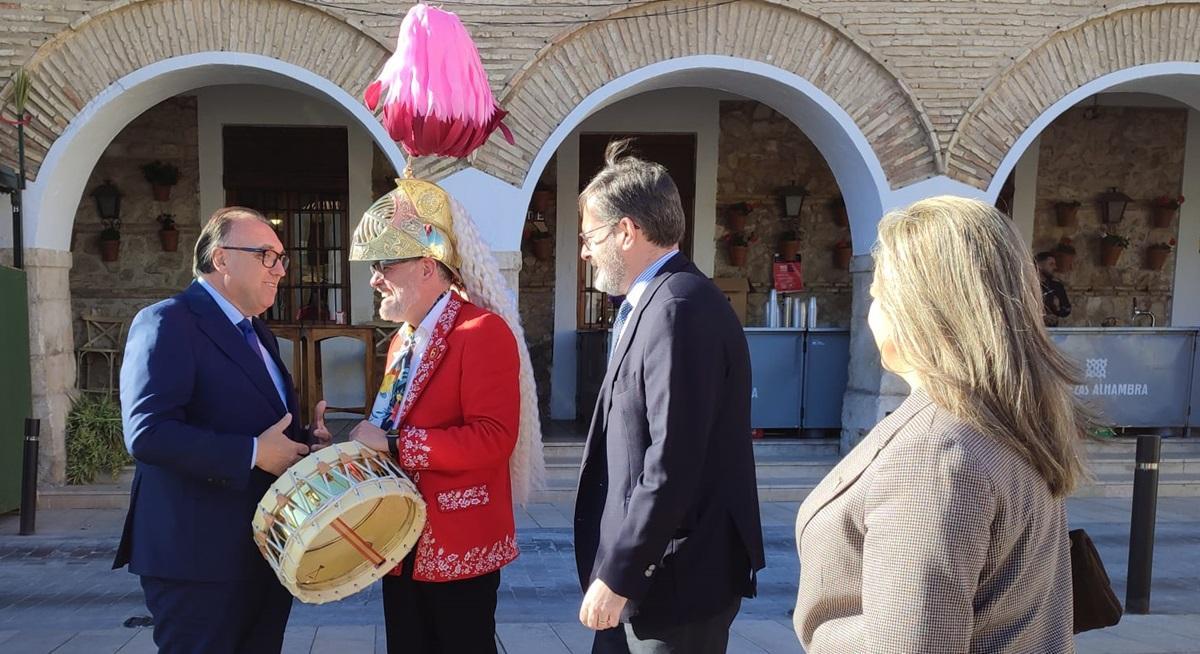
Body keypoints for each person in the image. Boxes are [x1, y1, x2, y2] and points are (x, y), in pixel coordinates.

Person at [793, 196, 1085, 653]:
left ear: (916, 308)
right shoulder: (997, 417)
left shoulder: (936, 454)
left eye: (876, 295)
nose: (872, 312)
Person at [573, 141, 765, 654]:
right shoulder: (655, 301)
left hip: (673, 581)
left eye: (589, 236)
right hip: (649, 577)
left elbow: (672, 460)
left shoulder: (679, 306)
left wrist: (620, 573)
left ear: (627, 231)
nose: (584, 250)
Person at [114, 206, 332, 653]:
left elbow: (259, 424)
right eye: (266, 256)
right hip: (196, 556)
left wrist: (305, 444)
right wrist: (253, 453)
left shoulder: (260, 333)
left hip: (263, 548)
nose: (280, 270)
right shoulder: (167, 321)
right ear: (221, 258)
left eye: (282, 259)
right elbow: (148, 433)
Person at [345, 178, 543, 654]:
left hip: (459, 543)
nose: (374, 278)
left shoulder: (482, 331)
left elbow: (493, 438)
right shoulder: (401, 338)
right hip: (399, 542)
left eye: (384, 265)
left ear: (428, 267)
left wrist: (395, 445)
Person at [1037, 251, 1071, 326]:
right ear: (1039, 265)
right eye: (1051, 264)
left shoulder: (1057, 286)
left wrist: (1058, 310)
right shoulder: (1029, 286)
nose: (1055, 267)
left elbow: (1067, 309)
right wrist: (1041, 317)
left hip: (1053, 330)